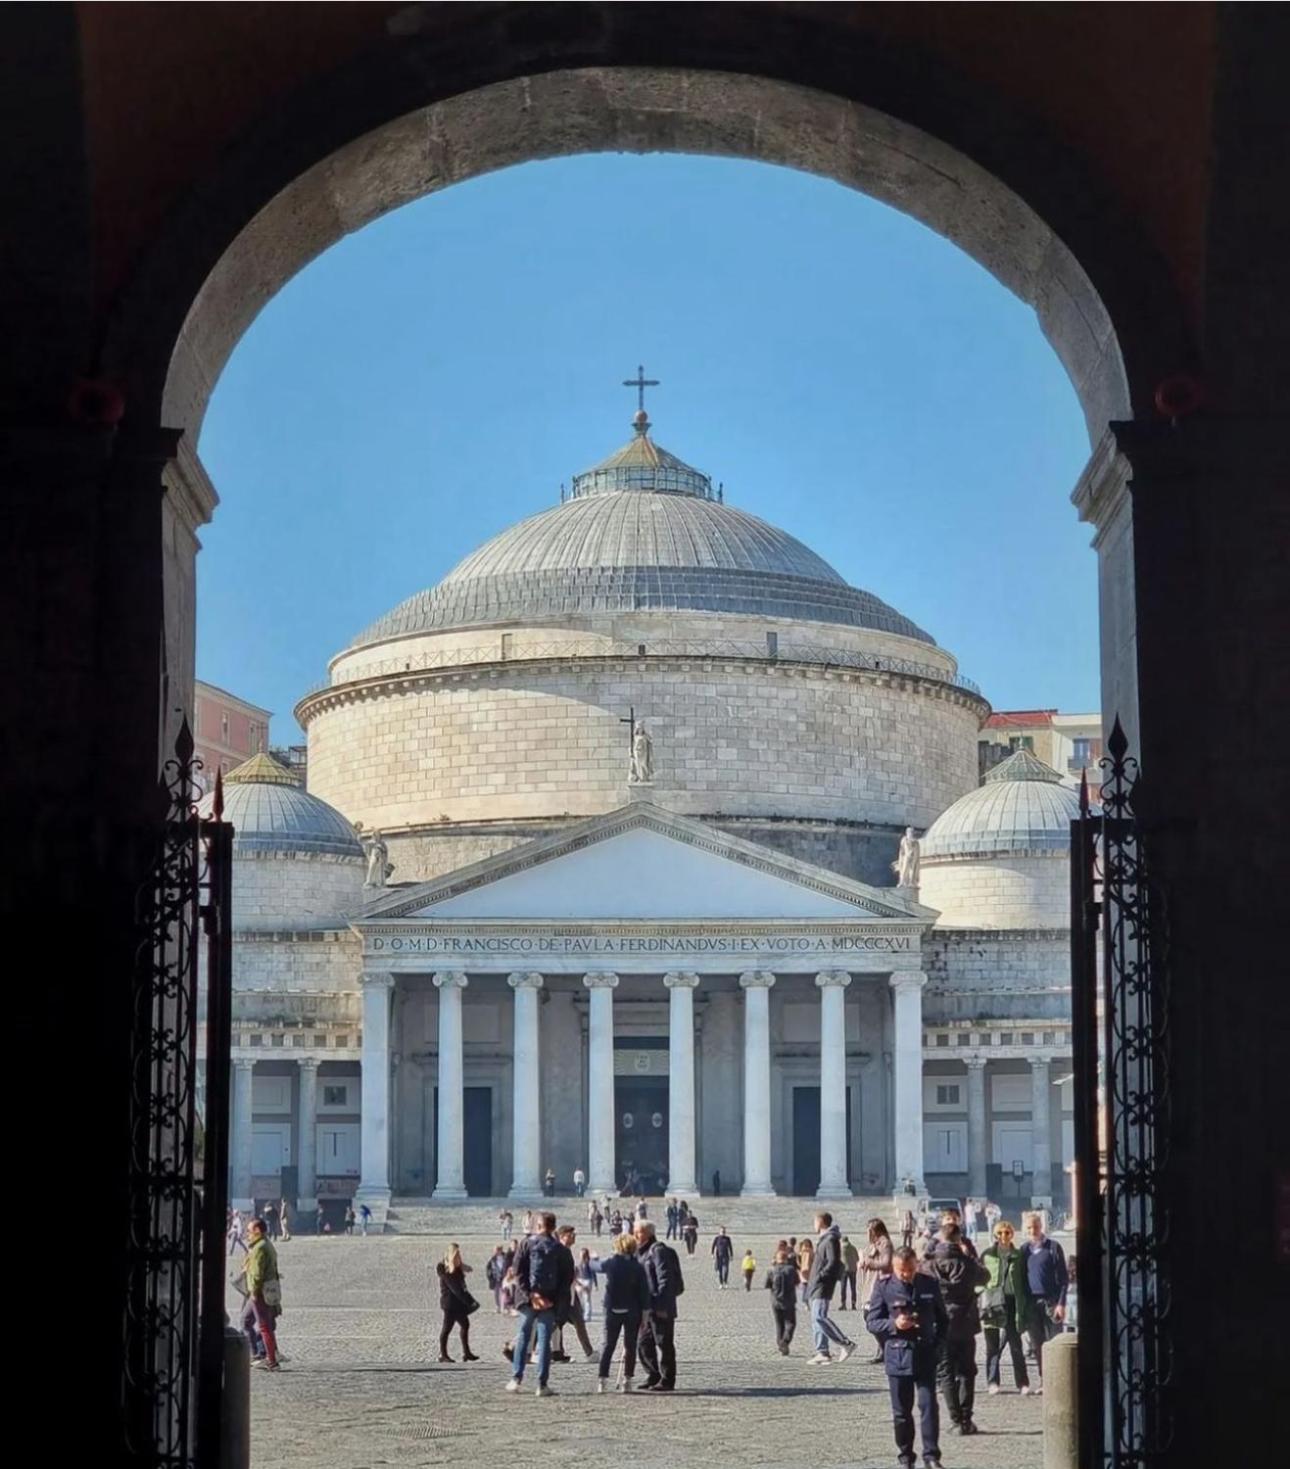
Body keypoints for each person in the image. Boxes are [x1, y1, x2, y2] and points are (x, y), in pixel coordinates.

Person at [868, 1246, 949, 1469]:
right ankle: (905, 1456)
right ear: (894, 1267)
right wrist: (894, 1324)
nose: (906, 1274)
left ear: (917, 1265)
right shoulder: (884, 1287)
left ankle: (932, 1456)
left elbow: (943, 1319)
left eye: (910, 1269)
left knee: (928, 1406)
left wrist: (939, 1345)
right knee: (902, 1413)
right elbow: (872, 1321)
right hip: (898, 1355)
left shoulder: (929, 1284)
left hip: (925, 1353)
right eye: (902, 1270)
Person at [924, 1216, 989, 1435]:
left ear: (941, 1237)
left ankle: (955, 1420)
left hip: (941, 1323)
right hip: (966, 1323)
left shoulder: (931, 1263)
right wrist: (969, 1252)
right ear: (959, 1238)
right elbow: (985, 1276)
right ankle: (966, 1418)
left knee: (945, 1373)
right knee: (967, 1372)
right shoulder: (968, 1263)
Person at [505, 1211, 574, 1398]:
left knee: (523, 1338)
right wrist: (551, 1300)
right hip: (549, 1303)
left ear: (538, 1226)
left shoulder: (526, 1244)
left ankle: (516, 1378)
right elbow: (567, 1279)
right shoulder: (562, 1250)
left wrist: (531, 1295)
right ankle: (542, 1385)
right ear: (553, 1227)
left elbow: (518, 1271)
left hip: (528, 1302)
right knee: (544, 1343)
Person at [979, 1220, 1033, 1394]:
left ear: (1012, 1234)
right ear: (995, 1235)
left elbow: (1024, 1280)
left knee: (1015, 1344)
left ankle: (1022, 1382)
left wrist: (1024, 1304)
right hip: (992, 1302)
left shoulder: (1019, 1255)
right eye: (1000, 1233)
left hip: (1012, 1301)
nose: (1003, 1236)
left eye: (1007, 1233)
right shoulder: (987, 1255)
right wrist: (982, 1293)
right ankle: (992, 1381)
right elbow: (979, 1278)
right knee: (992, 1345)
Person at [594, 1233, 650, 1392]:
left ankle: (602, 1381)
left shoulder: (611, 1263)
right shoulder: (638, 1266)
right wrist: (645, 1316)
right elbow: (644, 1292)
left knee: (608, 1345)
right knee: (630, 1346)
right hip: (632, 1310)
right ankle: (627, 1380)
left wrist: (592, 1258)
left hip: (612, 1309)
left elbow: (596, 1266)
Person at [1020, 1211, 1068, 1389]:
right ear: (1025, 1229)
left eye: (1036, 1227)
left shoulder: (1053, 1247)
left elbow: (1063, 1278)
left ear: (1042, 1227)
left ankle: (1058, 1382)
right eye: (1030, 1227)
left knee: (1054, 1343)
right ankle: (1044, 1380)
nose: (1033, 1230)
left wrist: (1061, 1303)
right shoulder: (1024, 1251)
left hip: (1051, 1301)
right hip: (1032, 1303)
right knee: (1038, 1344)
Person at [635, 1220, 683, 1391]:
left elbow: (665, 1280)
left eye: (638, 1232)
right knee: (643, 1342)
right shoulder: (640, 1253)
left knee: (663, 1342)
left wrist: (662, 1305)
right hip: (645, 1307)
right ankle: (653, 1374)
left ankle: (667, 1379)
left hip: (660, 1306)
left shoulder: (658, 1251)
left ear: (648, 1233)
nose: (635, 1236)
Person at [805, 1211, 857, 1365]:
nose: (813, 1225)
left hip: (823, 1284)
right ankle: (822, 1352)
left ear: (821, 1222)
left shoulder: (830, 1239)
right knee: (815, 1318)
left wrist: (820, 1276)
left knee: (820, 1316)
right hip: (817, 1284)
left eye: (815, 1221)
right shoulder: (824, 1239)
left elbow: (833, 1262)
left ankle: (845, 1343)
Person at [241, 1217, 283, 1372]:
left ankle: (271, 1360)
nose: (247, 1234)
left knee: (264, 1326)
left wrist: (254, 1291)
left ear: (257, 1231)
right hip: (265, 1290)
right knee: (245, 1320)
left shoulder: (259, 1248)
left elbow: (257, 1273)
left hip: (258, 1293)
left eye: (249, 1231)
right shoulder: (266, 1244)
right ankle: (259, 1354)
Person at [436, 1243, 481, 1363]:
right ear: (452, 1256)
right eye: (457, 1255)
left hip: (458, 1304)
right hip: (450, 1305)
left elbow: (462, 1283)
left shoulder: (456, 1268)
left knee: (465, 1325)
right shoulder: (447, 1272)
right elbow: (457, 1290)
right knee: (446, 1329)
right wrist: (470, 1302)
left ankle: (467, 1353)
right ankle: (443, 1354)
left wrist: (464, 1267)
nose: (459, 1258)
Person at [860, 1218, 895, 1361]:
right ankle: (883, 1349)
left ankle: (886, 1348)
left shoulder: (885, 1243)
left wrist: (868, 1262)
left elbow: (886, 1263)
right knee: (870, 1316)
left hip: (879, 1283)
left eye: (869, 1230)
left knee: (872, 1318)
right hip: (871, 1283)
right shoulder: (874, 1244)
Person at [764, 1246, 799, 1355]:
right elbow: (797, 1282)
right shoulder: (791, 1270)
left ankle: (781, 1344)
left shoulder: (771, 1271)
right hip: (789, 1301)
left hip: (775, 1301)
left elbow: (766, 1285)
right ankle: (785, 1341)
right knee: (791, 1323)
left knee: (779, 1324)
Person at [576, 1246, 598, 1322]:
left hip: (587, 1280)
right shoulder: (580, 1263)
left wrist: (595, 1284)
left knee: (586, 1299)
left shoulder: (589, 1263)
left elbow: (593, 1274)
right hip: (580, 1280)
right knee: (580, 1299)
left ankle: (587, 1315)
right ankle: (581, 1314)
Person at [839, 1234, 860, 1310]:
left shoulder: (840, 1249)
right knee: (853, 1287)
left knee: (843, 1287)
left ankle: (843, 1303)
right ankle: (853, 1304)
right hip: (853, 1269)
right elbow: (857, 1258)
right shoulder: (853, 1248)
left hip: (843, 1270)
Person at [486, 1244, 509, 1312]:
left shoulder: (505, 1257)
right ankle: (498, 1306)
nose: (495, 1252)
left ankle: (505, 1307)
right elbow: (488, 1268)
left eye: (496, 1250)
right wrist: (489, 1276)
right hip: (495, 1277)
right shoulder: (492, 1258)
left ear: (500, 1250)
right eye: (494, 1250)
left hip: (504, 1277)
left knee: (504, 1292)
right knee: (496, 1293)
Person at [796, 1237, 815, 1306]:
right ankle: (812, 1301)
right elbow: (814, 1261)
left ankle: (805, 1301)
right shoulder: (812, 1252)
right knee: (811, 1287)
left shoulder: (800, 1252)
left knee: (804, 1286)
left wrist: (800, 1267)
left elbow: (798, 1262)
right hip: (811, 1271)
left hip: (802, 1271)